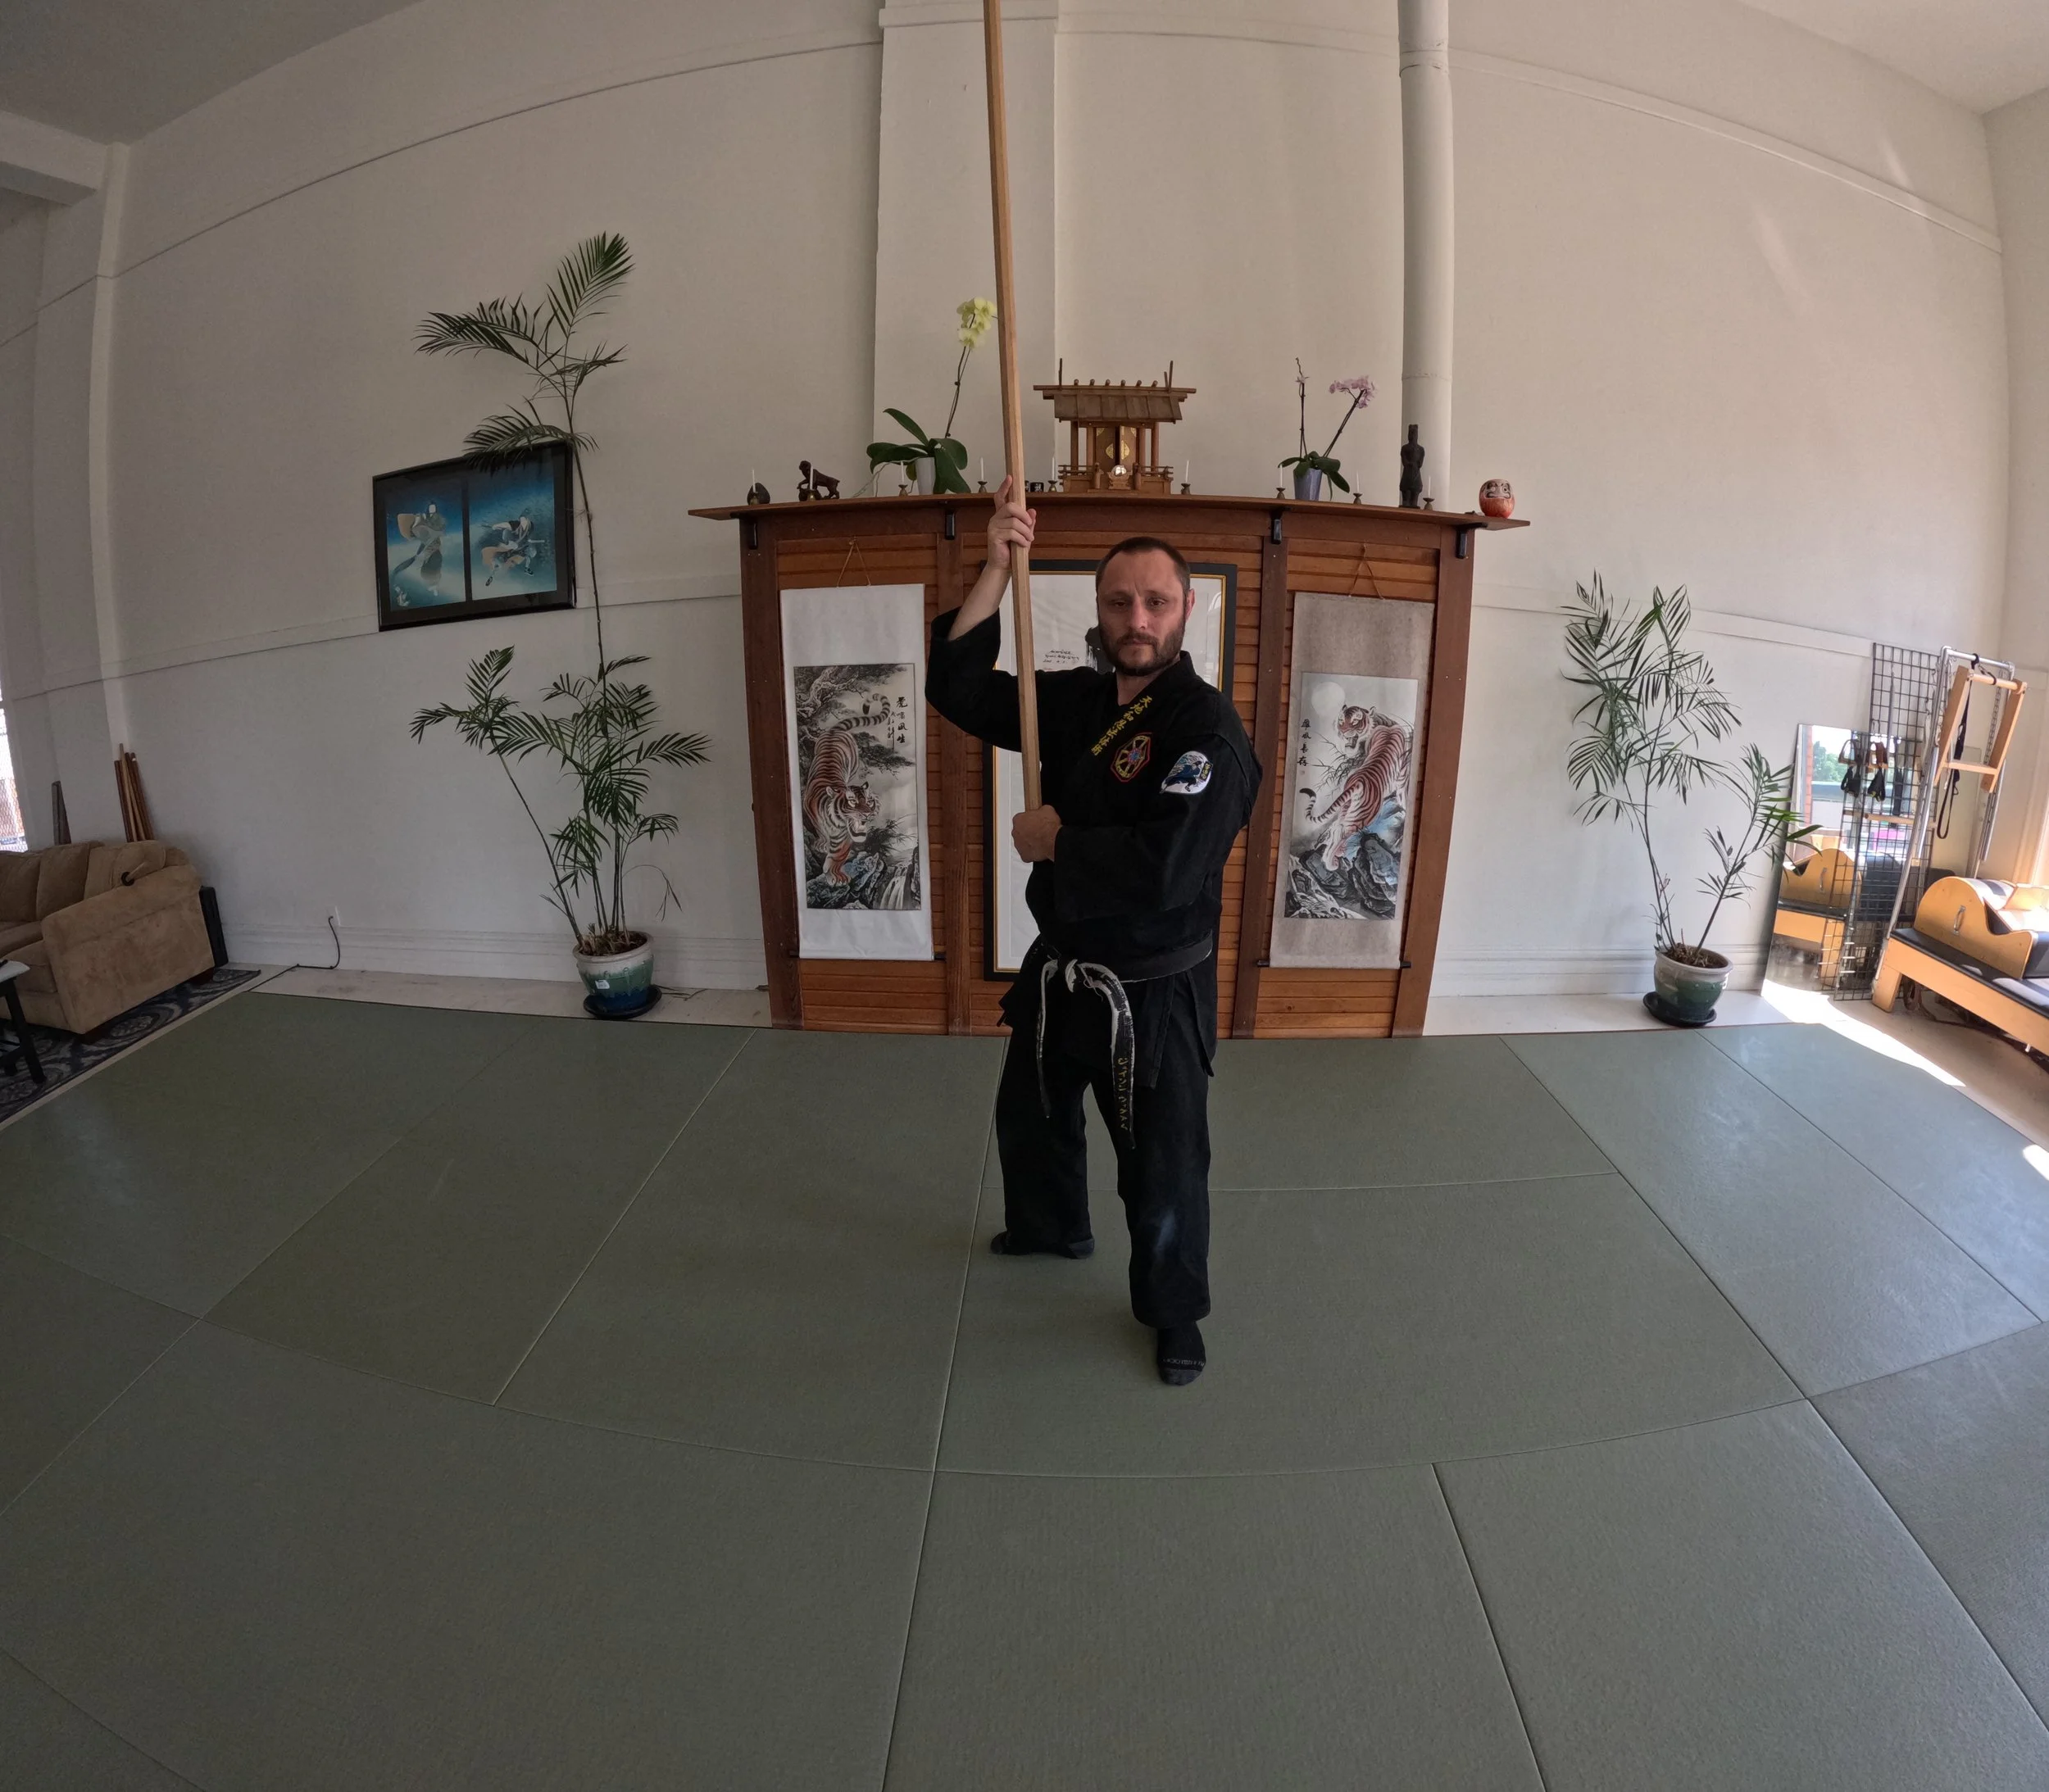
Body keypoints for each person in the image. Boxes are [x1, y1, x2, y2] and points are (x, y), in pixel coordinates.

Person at [926, 479, 1260, 1386]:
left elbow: (1169, 870)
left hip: (1152, 987)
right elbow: (957, 689)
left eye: (1155, 601)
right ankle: (1050, 1229)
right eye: (1119, 601)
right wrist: (994, 568)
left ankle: (1174, 1313)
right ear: (1100, 609)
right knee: (1029, 1117)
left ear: (1186, 608)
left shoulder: (1207, 733)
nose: (1136, 617)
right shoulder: (1075, 700)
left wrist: (1055, 840)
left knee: (1161, 1166)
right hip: (1062, 967)